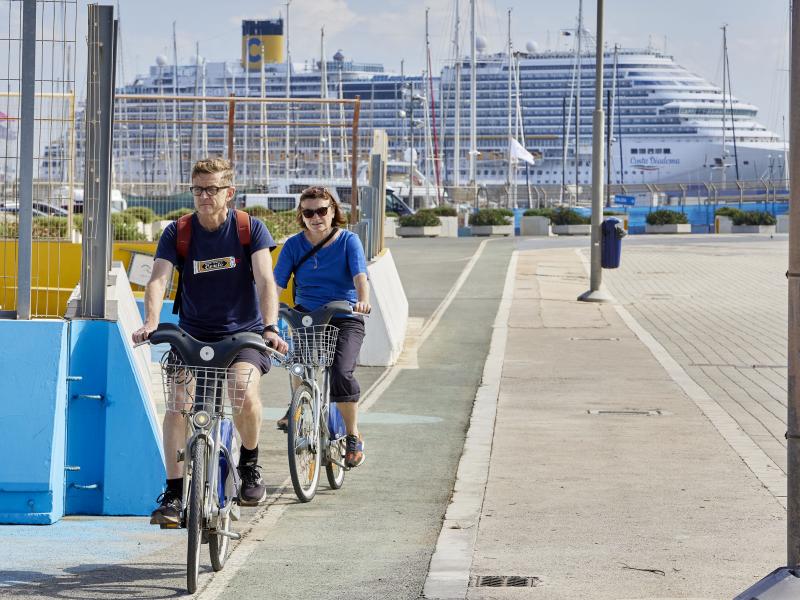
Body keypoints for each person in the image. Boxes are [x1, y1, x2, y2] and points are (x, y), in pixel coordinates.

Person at [132, 157, 288, 525]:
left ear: (229, 192)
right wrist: (151, 321)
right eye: (198, 189)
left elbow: (266, 281)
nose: (204, 196)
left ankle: (249, 465)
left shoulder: (250, 228)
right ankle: (172, 493)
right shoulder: (179, 232)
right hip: (192, 334)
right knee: (177, 405)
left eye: (213, 189)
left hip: (245, 334)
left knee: (241, 391)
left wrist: (270, 326)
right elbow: (158, 279)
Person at [273, 185, 371, 468]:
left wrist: (362, 301)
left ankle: (353, 435)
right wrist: (266, 312)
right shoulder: (293, 245)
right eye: (308, 212)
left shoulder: (348, 241)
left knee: (341, 372)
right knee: (298, 364)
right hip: (307, 314)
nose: (316, 217)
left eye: (322, 211)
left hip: (345, 315)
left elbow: (360, 276)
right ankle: (300, 405)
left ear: (333, 211)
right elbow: (276, 283)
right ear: (301, 215)